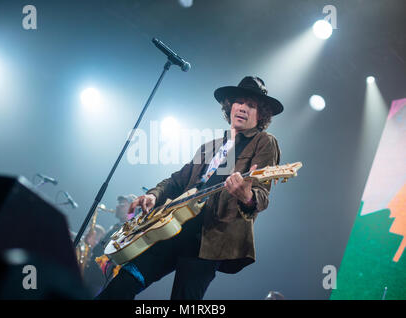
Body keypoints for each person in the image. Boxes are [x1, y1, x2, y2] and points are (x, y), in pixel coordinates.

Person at [96, 76, 283, 300]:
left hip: (210, 239)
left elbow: (261, 195)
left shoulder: (265, 142)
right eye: (239, 102)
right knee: (122, 285)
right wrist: (153, 196)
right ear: (229, 106)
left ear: (261, 114)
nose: (243, 108)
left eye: (251, 105)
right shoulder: (210, 146)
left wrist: (247, 196)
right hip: (171, 226)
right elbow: (177, 181)